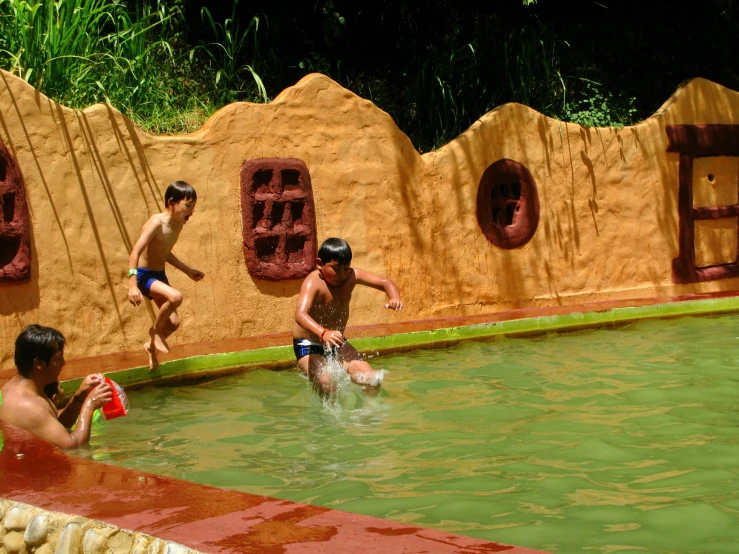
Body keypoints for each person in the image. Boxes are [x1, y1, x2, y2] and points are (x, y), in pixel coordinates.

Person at [293, 237, 403, 394]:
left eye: (346, 268)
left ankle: (365, 416)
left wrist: (394, 298)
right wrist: (323, 332)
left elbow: (386, 282)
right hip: (308, 344)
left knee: (371, 381)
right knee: (327, 385)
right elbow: (300, 314)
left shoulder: (352, 276)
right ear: (319, 264)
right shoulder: (313, 282)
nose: (342, 274)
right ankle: (326, 417)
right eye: (336, 269)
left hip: (336, 341)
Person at [127, 181, 204, 370]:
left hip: (158, 275)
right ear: (171, 203)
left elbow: (165, 253)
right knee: (176, 297)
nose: (191, 211)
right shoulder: (156, 222)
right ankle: (155, 333)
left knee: (174, 323)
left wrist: (187, 270)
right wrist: (132, 285)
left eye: (193, 207)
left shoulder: (177, 225)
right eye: (188, 206)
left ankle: (150, 347)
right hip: (143, 276)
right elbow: (135, 252)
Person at [0, 324, 112, 449]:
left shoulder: (16, 388)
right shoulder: (28, 406)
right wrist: (90, 405)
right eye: (58, 359)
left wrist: (79, 398)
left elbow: (54, 423)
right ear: (39, 363)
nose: (63, 363)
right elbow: (73, 445)